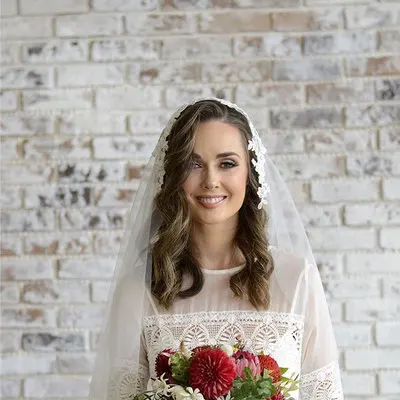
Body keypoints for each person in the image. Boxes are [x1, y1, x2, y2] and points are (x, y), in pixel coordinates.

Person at [88, 98, 344, 400]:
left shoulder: (297, 279)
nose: (211, 180)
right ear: (173, 177)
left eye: (227, 164)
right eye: (193, 164)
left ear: (250, 175)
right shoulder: (141, 287)